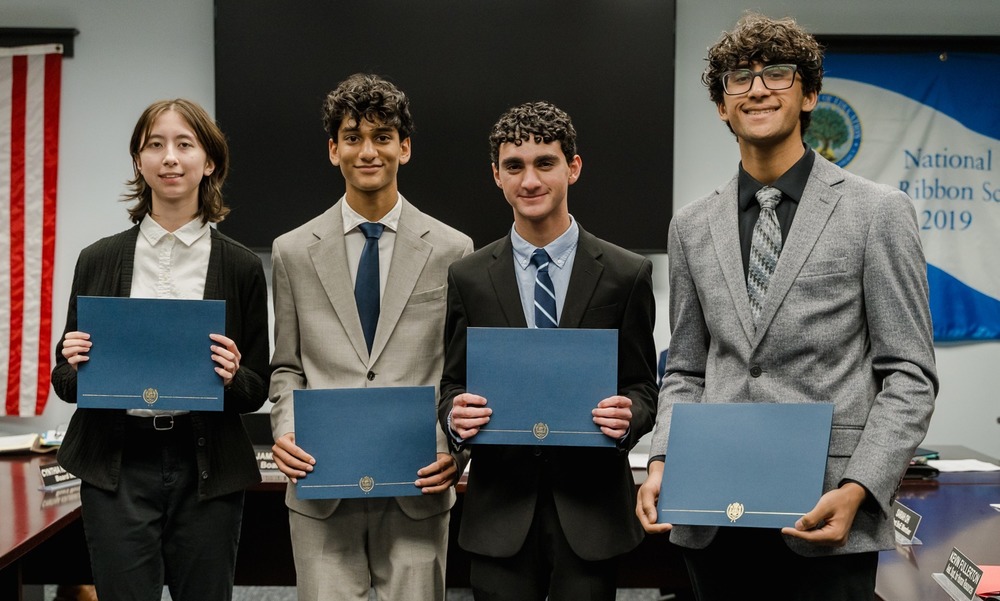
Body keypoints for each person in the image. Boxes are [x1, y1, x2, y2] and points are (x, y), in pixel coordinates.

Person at [636, 12, 938, 601]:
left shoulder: (877, 212)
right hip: (711, 512)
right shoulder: (692, 225)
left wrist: (859, 487)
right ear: (722, 106)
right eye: (738, 79)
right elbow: (685, 368)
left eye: (777, 73)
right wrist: (661, 460)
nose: (757, 88)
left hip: (826, 513)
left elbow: (909, 374)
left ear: (809, 95)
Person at [51, 98, 271, 600]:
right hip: (117, 464)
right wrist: (72, 360)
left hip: (206, 466)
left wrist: (233, 374)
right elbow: (65, 383)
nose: (169, 157)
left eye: (184, 144)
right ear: (139, 162)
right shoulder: (98, 259)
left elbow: (256, 389)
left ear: (209, 162)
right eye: (155, 145)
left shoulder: (239, 266)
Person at [439, 100, 658, 600]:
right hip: (499, 511)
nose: (530, 180)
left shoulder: (626, 274)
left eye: (545, 163)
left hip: (591, 513)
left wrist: (632, 414)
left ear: (572, 168)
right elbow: (453, 382)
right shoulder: (468, 277)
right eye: (514, 166)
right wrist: (455, 414)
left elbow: (643, 386)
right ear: (496, 175)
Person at [268, 73, 474, 601]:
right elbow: (286, 365)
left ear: (404, 147)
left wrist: (456, 445)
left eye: (383, 136)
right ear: (333, 148)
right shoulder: (292, 251)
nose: (368, 150)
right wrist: (287, 432)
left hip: (418, 480)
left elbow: (460, 371)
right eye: (353, 136)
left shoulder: (453, 250)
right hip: (321, 485)